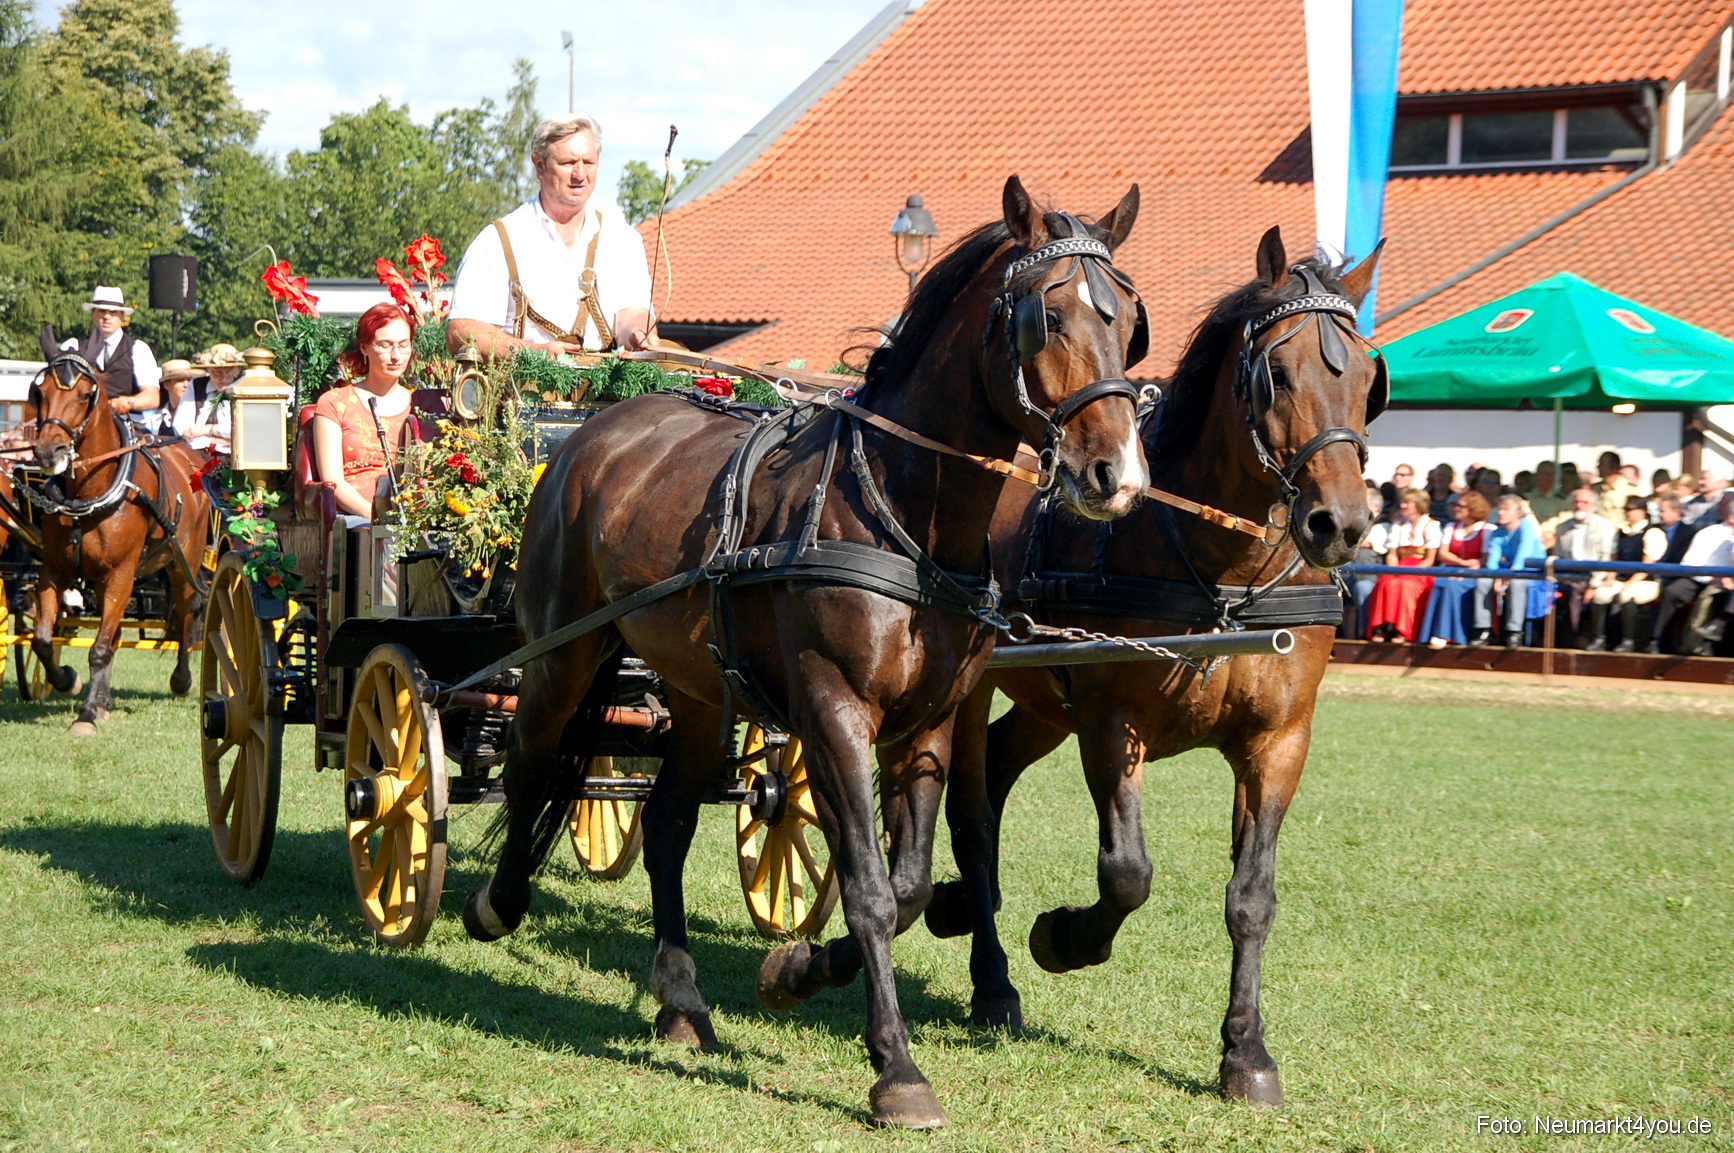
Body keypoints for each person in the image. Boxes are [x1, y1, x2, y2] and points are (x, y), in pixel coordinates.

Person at [447, 115, 654, 358]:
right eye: (567, 163)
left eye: (589, 162)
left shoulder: (622, 239)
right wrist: (533, 353)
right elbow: (461, 331)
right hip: (521, 389)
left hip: (610, 394)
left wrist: (639, 333)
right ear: (539, 166)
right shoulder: (498, 241)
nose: (579, 174)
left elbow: (630, 313)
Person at [312, 303, 419, 519]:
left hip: (416, 522)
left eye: (403, 345)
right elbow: (333, 481)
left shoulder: (421, 405)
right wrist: (376, 519)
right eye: (385, 345)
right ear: (364, 348)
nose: (396, 355)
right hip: (357, 521)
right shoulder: (335, 403)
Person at [58, 285, 161, 425]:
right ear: (92, 313)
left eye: (113, 312)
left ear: (122, 316)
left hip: (127, 424)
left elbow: (152, 397)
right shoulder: (73, 347)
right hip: (82, 423)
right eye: (102, 311)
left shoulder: (138, 349)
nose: (107, 316)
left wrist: (129, 402)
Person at [1650, 493, 1734, 653]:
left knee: (1714, 597)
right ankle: (1657, 640)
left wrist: (1722, 579)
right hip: (1699, 579)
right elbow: (1689, 563)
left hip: (1725, 584)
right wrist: (1711, 578)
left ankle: (1704, 646)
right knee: (1672, 592)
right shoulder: (1709, 532)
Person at [1365, 487, 1439, 642]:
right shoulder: (1398, 526)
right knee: (1386, 581)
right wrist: (1395, 569)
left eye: (1407, 502)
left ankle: (1403, 630)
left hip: (1420, 570)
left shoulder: (1431, 525)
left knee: (1406, 585)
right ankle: (1382, 626)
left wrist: (1411, 571)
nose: (1403, 506)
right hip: (1399, 566)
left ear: (1418, 504)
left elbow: (1430, 559)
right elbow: (1392, 554)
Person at [1598, 495, 1669, 652]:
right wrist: (1610, 578)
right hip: (1621, 578)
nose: (1627, 512)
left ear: (1642, 511)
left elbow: (1648, 563)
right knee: (1601, 594)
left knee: (1626, 595)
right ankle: (1600, 638)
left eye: (1631, 509)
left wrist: (1632, 581)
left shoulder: (1653, 532)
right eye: (1626, 509)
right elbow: (1614, 558)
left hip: (1646, 580)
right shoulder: (1621, 532)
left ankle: (1628, 640)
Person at [1420, 490, 1491, 647]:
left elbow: (1485, 557)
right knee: (1439, 583)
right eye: (1455, 505)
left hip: (1474, 574)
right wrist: (1462, 563)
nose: (1456, 509)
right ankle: (1435, 632)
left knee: (1453, 586)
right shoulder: (1451, 527)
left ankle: (1449, 634)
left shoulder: (1486, 529)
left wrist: (1470, 567)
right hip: (1452, 569)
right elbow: (1443, 554)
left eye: (1461, 506)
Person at [1551, 487, 1618, 648]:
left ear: (1593, 505)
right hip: (1569, 574)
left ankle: (1577, 637)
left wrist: (1594, 584)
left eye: (1584, 502)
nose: (1579, 505)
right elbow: (1558, 556)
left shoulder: (1604, 526)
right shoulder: (1563, 527)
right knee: (1562, 590)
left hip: (1595, 574)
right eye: (1576, 502)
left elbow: (1607, 557)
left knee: (1575, 591)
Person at [1483, 493, 1547, 647]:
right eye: (1499, 509)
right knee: (1482, 582)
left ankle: (1514, 631)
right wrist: (1496, 577)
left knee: (1517, 585)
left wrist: (1509, 576)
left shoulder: (1526, 527)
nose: (1500, 513)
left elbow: (1523, 553)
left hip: (1531, 571)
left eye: (1506, 509)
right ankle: (1484, 629)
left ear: (1518, 513)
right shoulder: (1497, 532)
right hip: (1508, 571)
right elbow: (1493, 558)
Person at [176, 344, 241, 453]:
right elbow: (183, 428)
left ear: (237, 370)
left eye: (229, 372)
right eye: (217, 372)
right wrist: (219, 440)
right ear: (208, 369)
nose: (223, 378)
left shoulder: (243, 389)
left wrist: (207, 429)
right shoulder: (196, 386)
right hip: (200, 455)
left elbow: (244, 431)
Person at [1346, 482, 1388, 639]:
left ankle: (1365, 632)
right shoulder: (1356, 523)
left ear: (1374, 507)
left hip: (1370, 577)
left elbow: (1366, 543)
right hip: (1349, 572)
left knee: (1363, 588)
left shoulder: (1384, 525)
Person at [1590, 451, 1641, 523]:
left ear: (1613, 466)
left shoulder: (1631, 491)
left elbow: (1636, 518)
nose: (1597, 467)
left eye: (1601, 464)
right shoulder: (1593, 490)